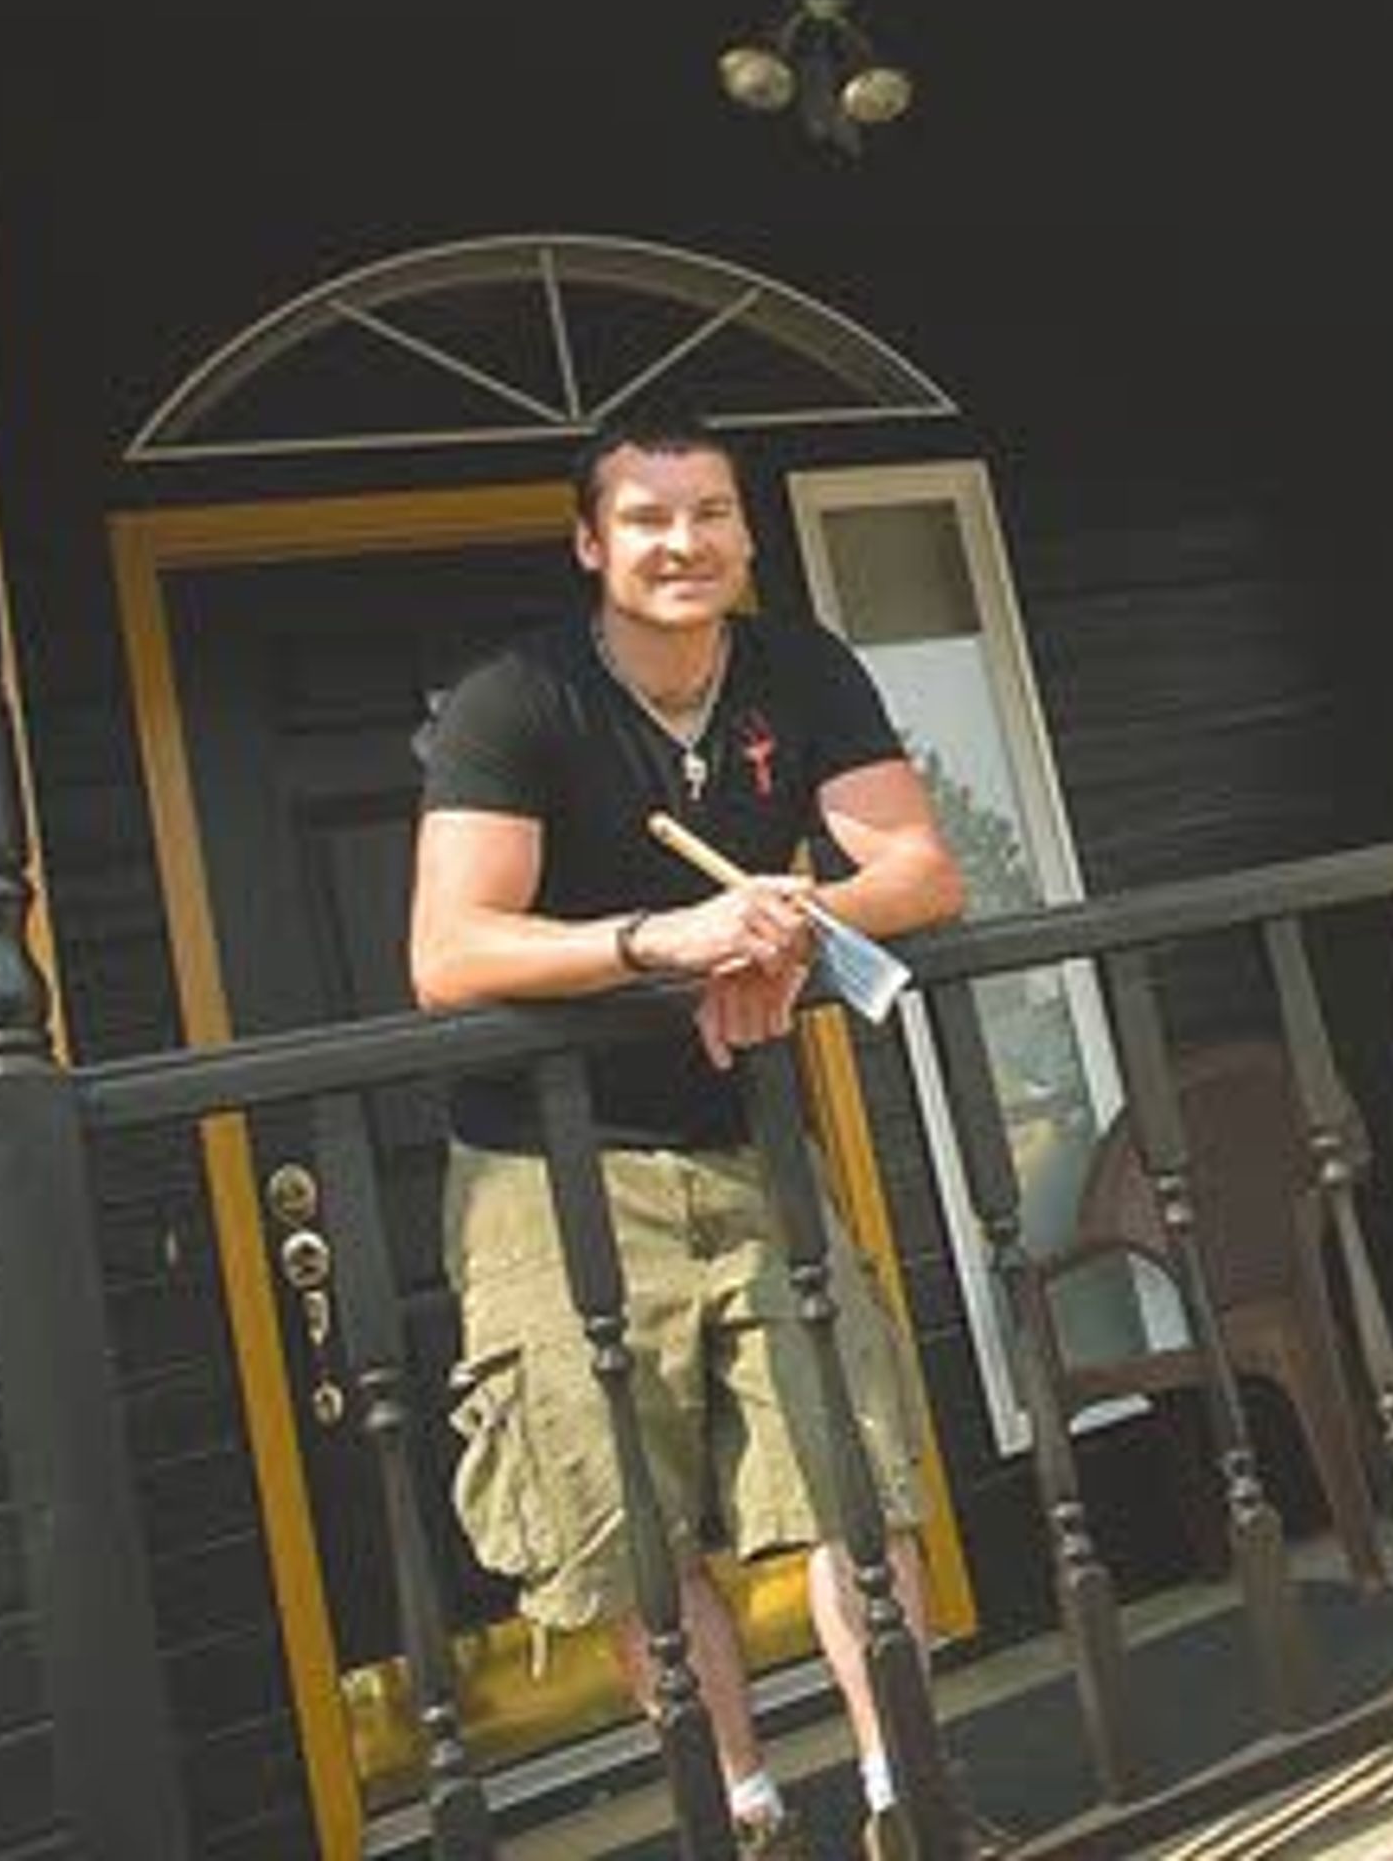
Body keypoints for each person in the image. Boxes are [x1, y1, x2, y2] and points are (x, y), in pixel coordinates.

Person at [410, 403, 998, 1859]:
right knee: (636, 1527)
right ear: (592, 542)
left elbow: (921, 875)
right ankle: (743, 1815)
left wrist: (775, 927)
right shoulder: (517, 698)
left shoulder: (800, 670)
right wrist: (669, 940)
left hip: (747, 1139)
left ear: (747, 530)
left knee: (855, 1476)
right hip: (550, 1179)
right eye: (650, 519)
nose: (686, 543)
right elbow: (451, 951)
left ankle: (900, 1803)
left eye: (712, 514)